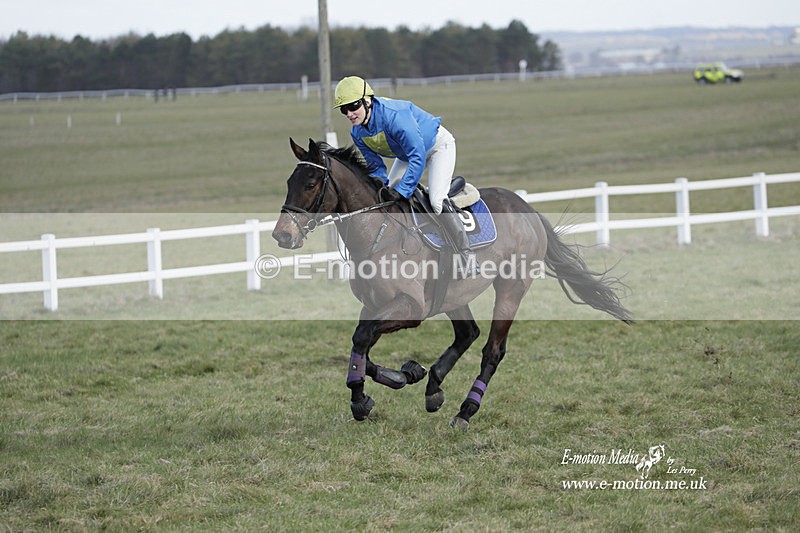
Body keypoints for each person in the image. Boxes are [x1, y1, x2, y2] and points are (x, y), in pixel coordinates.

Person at [333, 75, 477, 276]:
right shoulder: (357, 133)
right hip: (407, 153)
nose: (349, 113)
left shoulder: (394, 116)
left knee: (436, 200)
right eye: (343, 109)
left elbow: (418, 156)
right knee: (384, 199)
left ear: (368, 101)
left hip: (436, 146)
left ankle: (466, 254)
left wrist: (402, 191)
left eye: (353, 106)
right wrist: (381, 187)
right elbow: (375, 167)